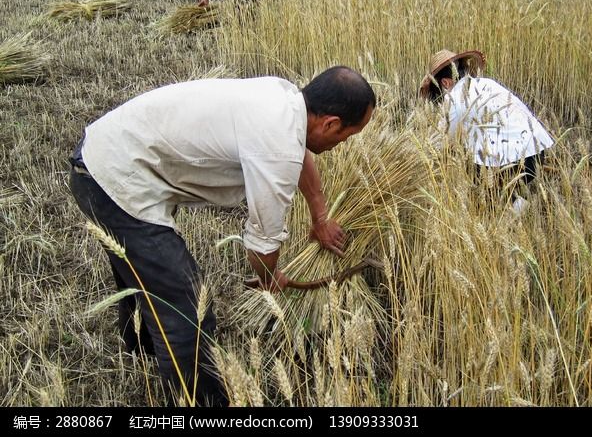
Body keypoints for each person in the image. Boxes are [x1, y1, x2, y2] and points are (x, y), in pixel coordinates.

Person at [68, 67, 375, 406]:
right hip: (115, 178)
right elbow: (261, 245)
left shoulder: (285, 99)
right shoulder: (278, 150)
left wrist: (320, 216)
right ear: (330, 123)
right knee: (187, 306)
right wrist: (271, 277)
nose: (341, 144)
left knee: (147, 273)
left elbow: (297, 148)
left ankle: (143, 347)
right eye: (346, 136)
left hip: (105, 151)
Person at [419, 49, 554, 211]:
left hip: (516, 163)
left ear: (445, 83)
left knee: (467, 164)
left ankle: (514, 210)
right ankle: (518, 206)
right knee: (474, 154)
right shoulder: (488, 83)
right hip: (537, 151)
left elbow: (440, 145)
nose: (440, 100)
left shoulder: (453, 98)